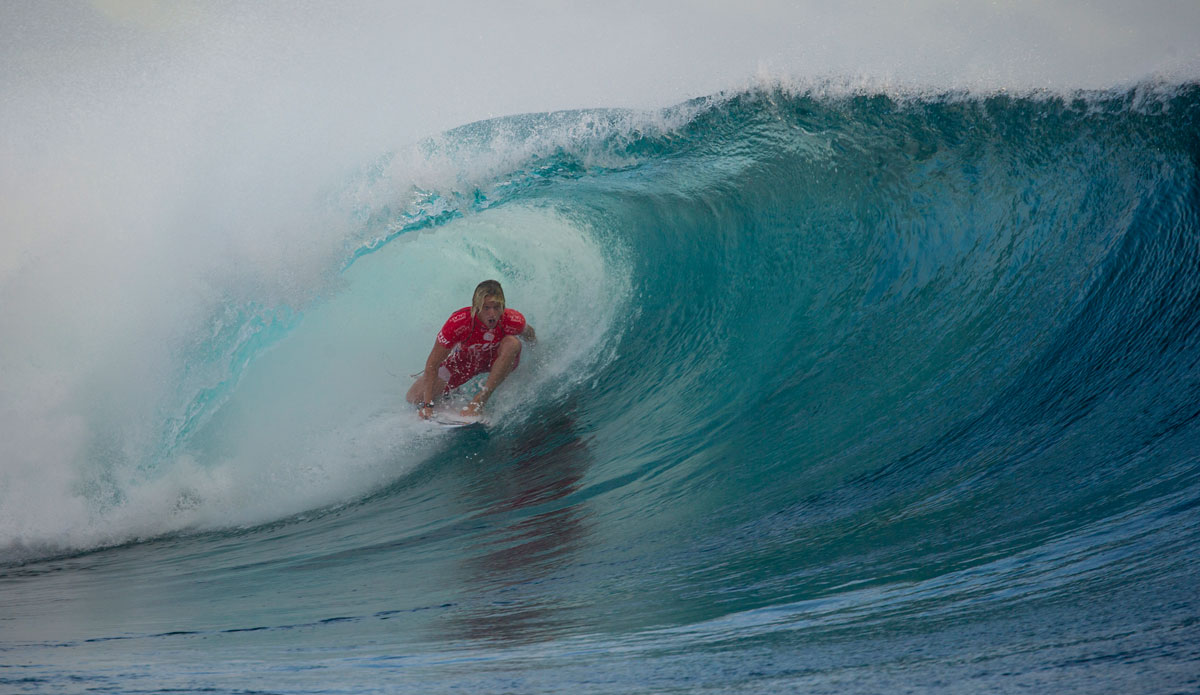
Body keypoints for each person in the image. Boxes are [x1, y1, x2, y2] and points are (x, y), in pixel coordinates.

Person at [407, 280, 536, 419]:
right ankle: (451, 392)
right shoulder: (458, 323)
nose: (492, 314)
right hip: (467, 361)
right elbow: (433, 363)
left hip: (497, 360)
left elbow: (530, 335)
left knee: (512, 343)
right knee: (414, 397)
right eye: (486, 308)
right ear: (476, 308)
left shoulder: (513, 320)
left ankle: (480, 400)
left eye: (497, 307)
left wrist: (536, 356)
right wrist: (428, 405)